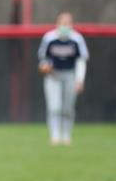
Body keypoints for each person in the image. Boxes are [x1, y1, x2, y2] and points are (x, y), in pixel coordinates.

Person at [37, 12, 89, 145]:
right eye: (62, 23)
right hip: (53, 76)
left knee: (67, 108)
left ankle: (66, 136)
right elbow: (43, 58)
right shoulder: (49, 38)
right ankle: (54, 136)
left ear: (71, 25)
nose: (64, 26)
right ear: (57, 24)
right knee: (54, 107)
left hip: (70, 75)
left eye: (67, 23)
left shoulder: (77, 39)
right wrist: (45, 67)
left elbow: (81, 60)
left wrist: (80, 80)